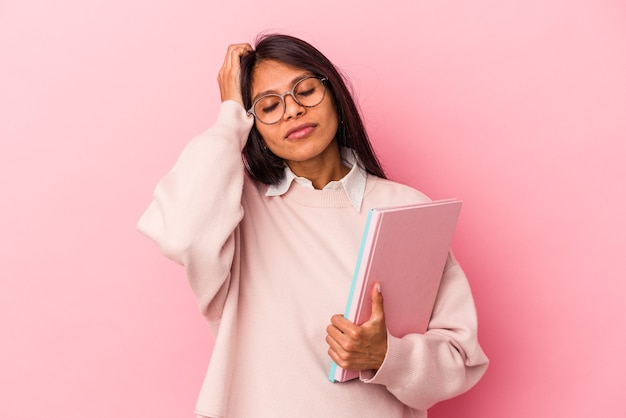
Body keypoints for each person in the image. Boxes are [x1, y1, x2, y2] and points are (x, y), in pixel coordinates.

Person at [138, 33, 488, 418]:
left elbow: (460, 358)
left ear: (334, 94)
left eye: (305, 91)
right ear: (253, 125)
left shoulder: (406, 208)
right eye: (268, 106)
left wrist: (389, 355)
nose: (292, 111)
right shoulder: (234, 210)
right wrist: (229, 116)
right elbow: (179, 234)